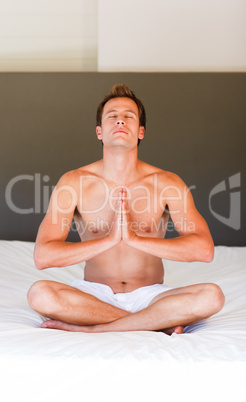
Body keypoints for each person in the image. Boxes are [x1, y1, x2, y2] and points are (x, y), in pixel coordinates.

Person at [27, 84, 224, 335]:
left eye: (128, 116)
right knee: (40, 294)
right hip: (94, 294)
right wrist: (109, 240)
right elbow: (43, 256)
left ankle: (95, 328)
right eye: (112, 116)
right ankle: (153, 324)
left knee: (211, 296)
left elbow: (204, 249)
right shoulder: (73, 182)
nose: (120, 121)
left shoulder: (167, 183)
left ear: (140, 131)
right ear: (99, 132)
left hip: (150, 295)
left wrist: (135, 239)